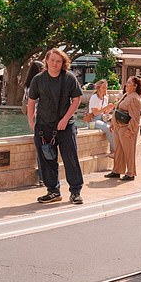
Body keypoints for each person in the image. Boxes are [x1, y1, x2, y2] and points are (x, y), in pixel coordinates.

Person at [27, 49, 84, 205]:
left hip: (66, 126)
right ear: (46, 61)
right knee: (46, 159)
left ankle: (75, 192)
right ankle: (53, 191)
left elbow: (77, 99)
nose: (55, 64)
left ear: (63, 62)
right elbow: (31, 102)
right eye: (52, 60)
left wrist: (65, 119)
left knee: (70, 159)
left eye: (58, 61)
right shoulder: (38, 80)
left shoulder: (69, 78)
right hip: (43, 127)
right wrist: (32, 124)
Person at [105, 76, 141, 181]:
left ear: (135, 86)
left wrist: (130, 130)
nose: (126, 85)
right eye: (127, 82)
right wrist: (113, 123)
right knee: (119, 150)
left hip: (126, 128)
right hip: (119, 127)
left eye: (129, 83)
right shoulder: (126, 95)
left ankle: (131, 173)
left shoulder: (134, 98)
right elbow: (117, 109)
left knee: (129, 151)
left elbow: (135, 117)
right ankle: (117, 170)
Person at [24, 60, 45, 184]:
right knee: (43, 148)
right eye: (42, 68)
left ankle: (43, 177)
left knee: (42, 147)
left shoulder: (28, 85)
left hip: (35, 117)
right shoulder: (36, 84)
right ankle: (43, 177)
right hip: (39, 117)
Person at [88, 79, 115, 156]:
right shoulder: (94, 97)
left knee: (113, 127)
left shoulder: (105, 98)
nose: (105, 89)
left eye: (106, 87)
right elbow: (95, 113)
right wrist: (106, 107)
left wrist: (110, 108)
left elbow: (105, 112)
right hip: (93, 121)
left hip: (102, 118)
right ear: (99, 88)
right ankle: (114, 151)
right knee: (107, 128)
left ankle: (113, 150)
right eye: (103, 87)